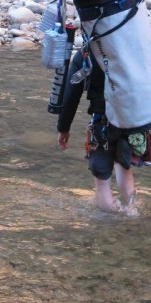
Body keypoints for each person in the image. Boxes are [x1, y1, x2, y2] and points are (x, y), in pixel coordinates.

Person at [57, 48, 135, 213]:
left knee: (102, 182)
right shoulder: (125, 47)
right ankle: (133, 213)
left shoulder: (86, 53)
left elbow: (71, 95)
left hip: (102, 124)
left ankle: (108, 224)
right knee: (123, 166)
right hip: (128, 120)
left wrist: (64, 128)